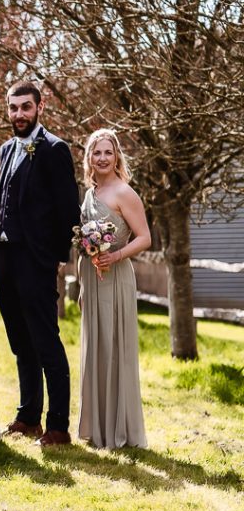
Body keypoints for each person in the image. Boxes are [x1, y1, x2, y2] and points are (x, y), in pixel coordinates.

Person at [0, 81, 80, 446]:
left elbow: (67, 209)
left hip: (37, 261)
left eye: (26, 107)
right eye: (13, 108)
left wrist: (55, 260)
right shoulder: (6, 149)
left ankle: (58, 425)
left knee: (46, 341)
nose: (19, 114)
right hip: (6, 258)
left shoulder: (55, 149)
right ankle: (28, 417)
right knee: (19, 341)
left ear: (40, 108)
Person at [77, 129, 150, 449]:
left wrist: (116, 255)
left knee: (114, 348)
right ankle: (98, 428)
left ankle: (119, 429)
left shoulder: (124, 192)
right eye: (97, 153)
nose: (102, 158)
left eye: (108, 152)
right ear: (89, 158)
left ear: (117, 156)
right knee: (96, 347)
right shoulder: (89, 193)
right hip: (91, 278)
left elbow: (144, 237)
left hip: (116, 276)